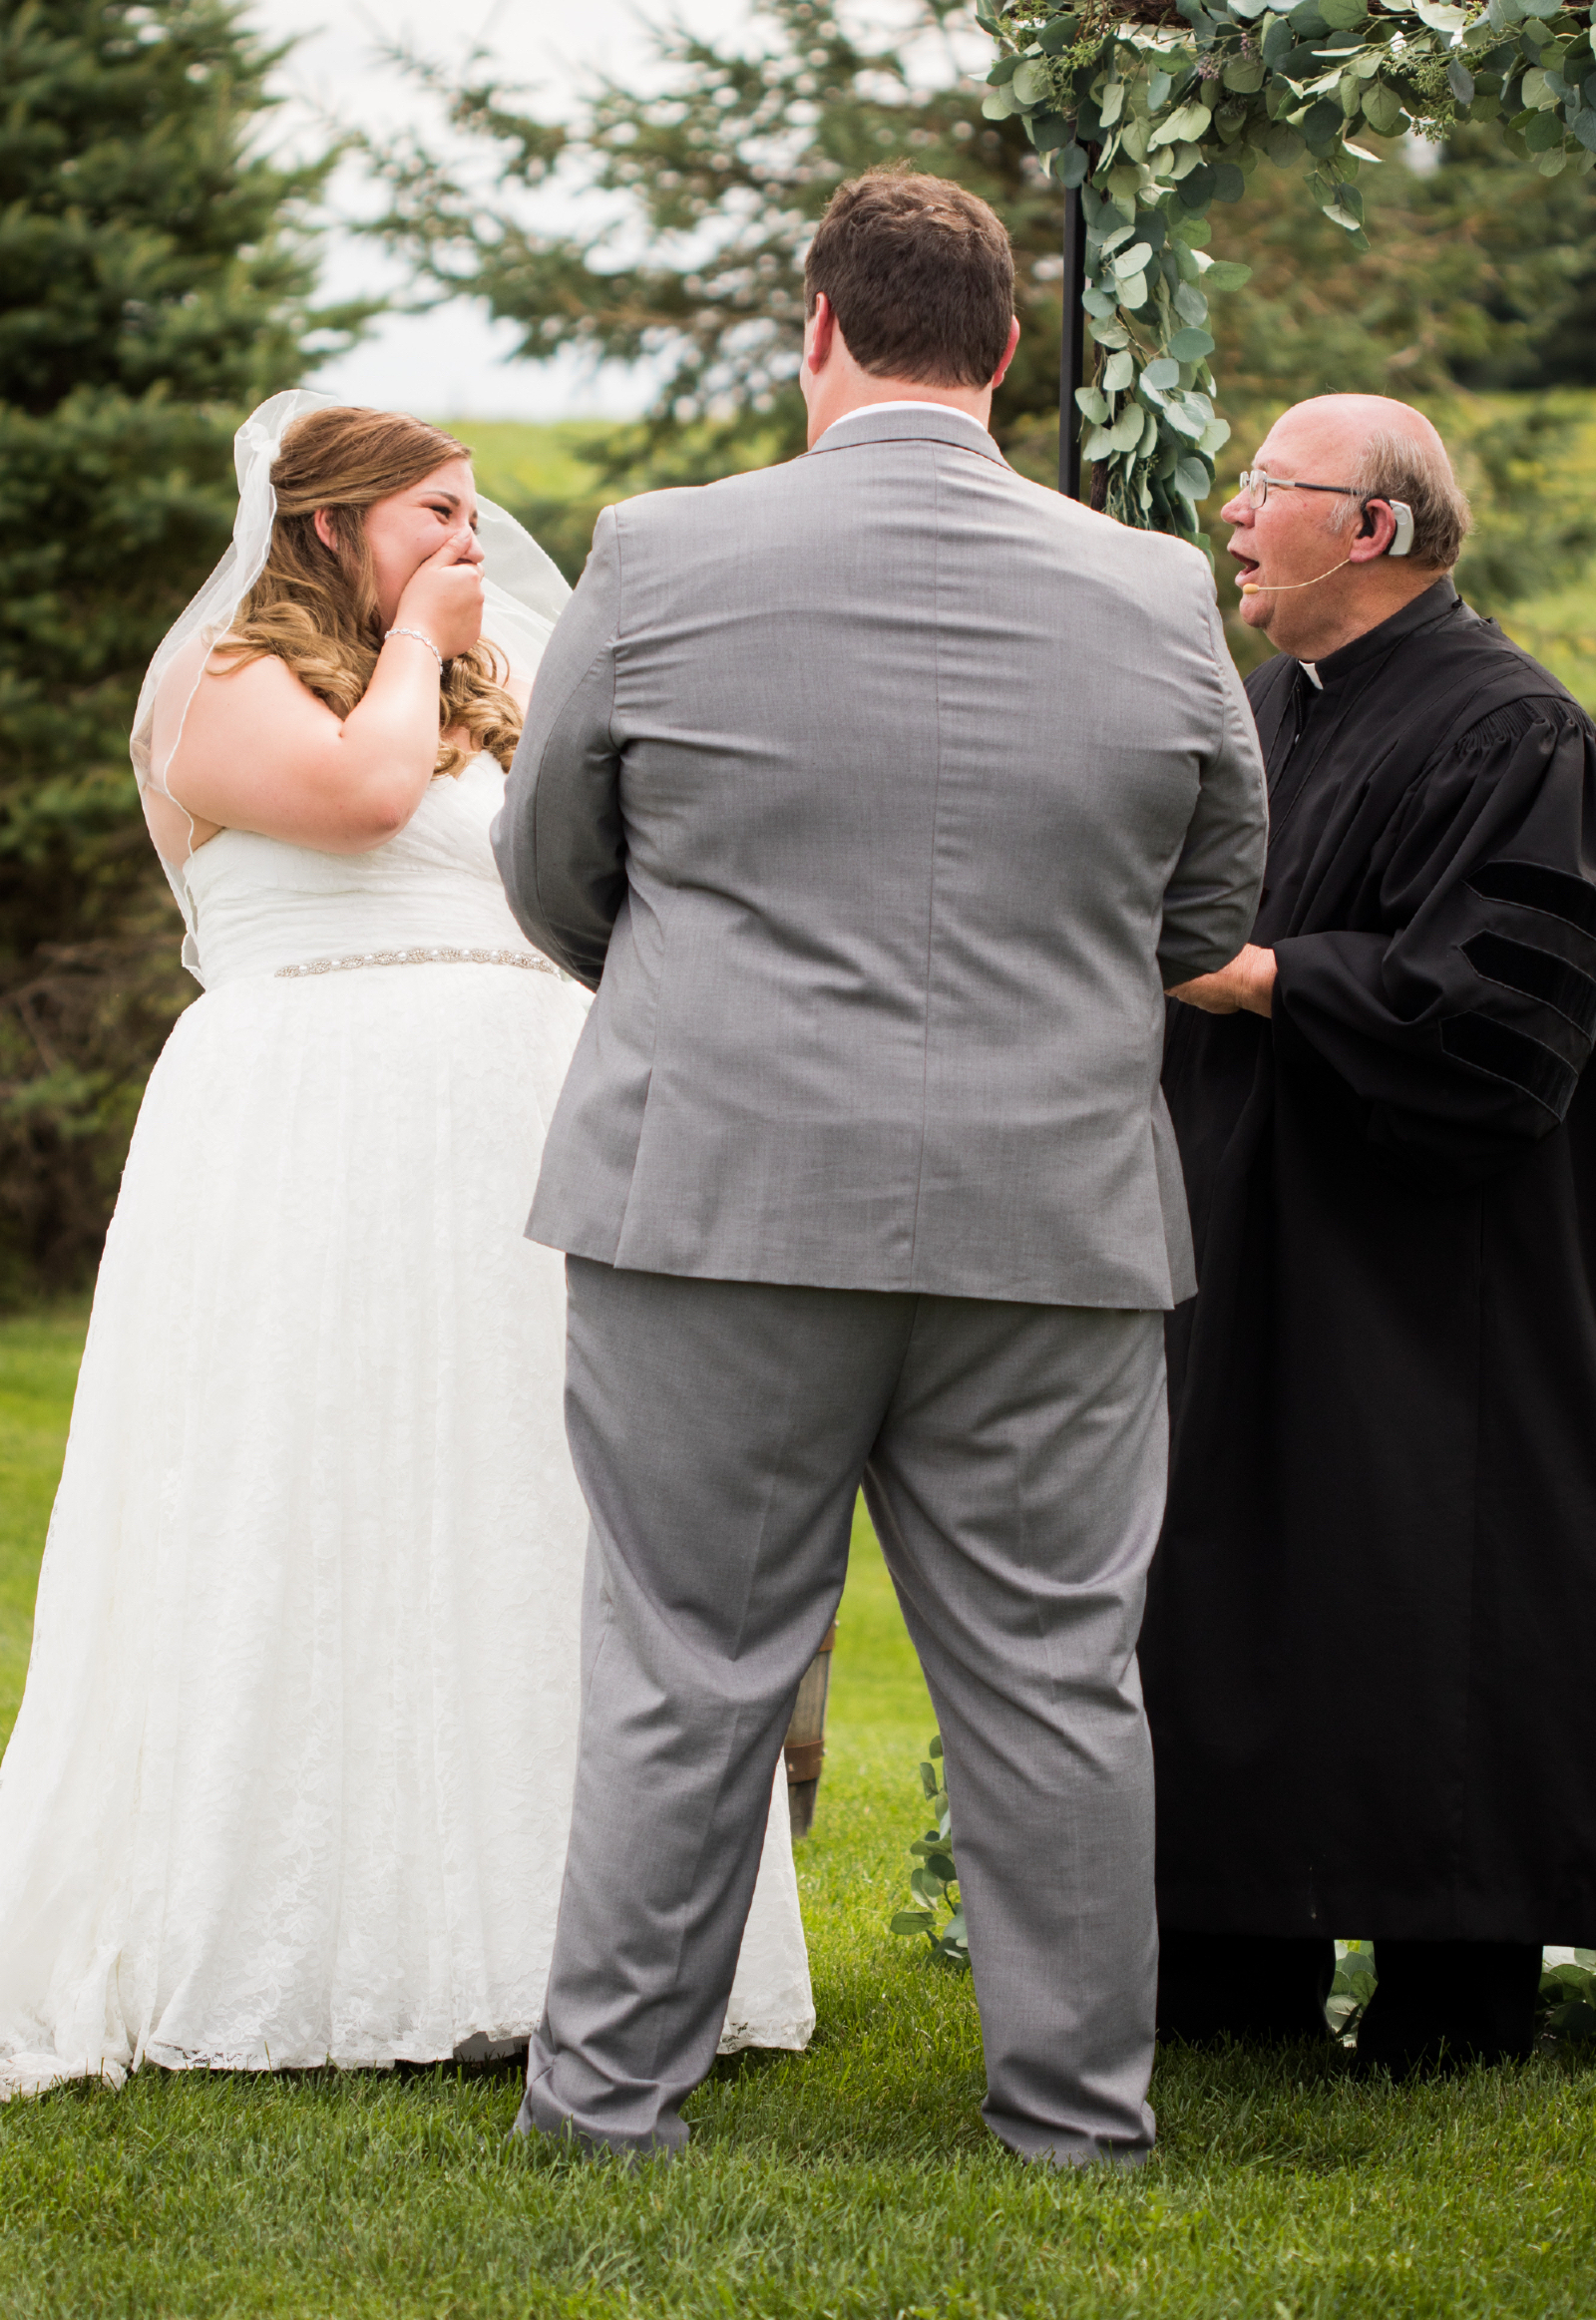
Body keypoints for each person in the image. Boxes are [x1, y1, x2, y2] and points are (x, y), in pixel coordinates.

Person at [493, 167, 1269, 2165]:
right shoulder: (1152, 587)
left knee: (684, 1663)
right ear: (1004, 352)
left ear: (814, 328)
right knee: (1052, 1682)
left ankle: (605, 2115)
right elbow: (1204, 917)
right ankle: (1078, 2126)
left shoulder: (658, 555)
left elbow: (549, 876)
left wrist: (695, 1002)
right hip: (1051, 1216)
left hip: (715, 1202)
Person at [0, 394, 811, 2101]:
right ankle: (300, 1935)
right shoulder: (224, 683)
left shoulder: (482, 671)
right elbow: (368, 803)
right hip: (303, 1130)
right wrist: (423, 648)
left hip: (511, 1133)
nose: (464, 536)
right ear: (324, 529)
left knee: (525, 1509)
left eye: (470, 506)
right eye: (427, 510)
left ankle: (553, 1947)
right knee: (314, 1493)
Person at [1143, 393, 1596, 2075]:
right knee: (1225, 1581)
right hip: (1242, 1222)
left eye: (1270, 486)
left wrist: (1264, 976)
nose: (1236, 512)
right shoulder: (1263, 709)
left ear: (1377, 529)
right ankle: (1231, 1973)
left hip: (1425, 1267)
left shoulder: (1516, 730)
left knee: (1424, 1596)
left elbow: (1505, 1020)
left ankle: (1452, 1995)